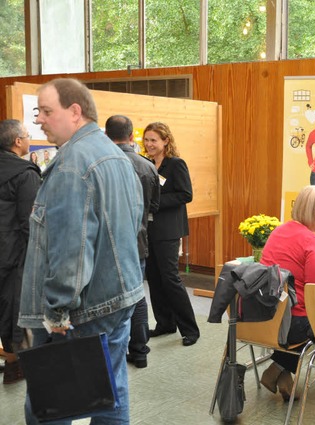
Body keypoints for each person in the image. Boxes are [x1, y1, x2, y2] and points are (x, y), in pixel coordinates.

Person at [19, 78, 144, 423]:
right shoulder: (116, 157)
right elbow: (133, 224)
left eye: (46, 111)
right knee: (112, 392)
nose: (39, 120)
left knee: (52, 404)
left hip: (82, 310)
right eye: (37, 112)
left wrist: (58, 311)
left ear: (75, 112)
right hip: (119, 297)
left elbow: (70, 248)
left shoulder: (73, 165)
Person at [259, 185, 315, 401]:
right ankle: (276, 368)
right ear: (309, 209)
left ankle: (283, 377)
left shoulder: (280, 230)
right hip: (292, 324)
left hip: (265, 317)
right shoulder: (309, 241)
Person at [106, 115, 161, 368]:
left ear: (106, 136)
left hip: (106, 244)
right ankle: (139, 352)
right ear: (132, 137)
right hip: (137, 241)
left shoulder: (102, 164)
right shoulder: (148, 167)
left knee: (107, 297)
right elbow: (154, 207)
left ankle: (109, 354)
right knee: (137, 296)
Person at [143, 122, 200, 346]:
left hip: (168, 230)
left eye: (153, 140)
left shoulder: (176, 164)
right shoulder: (146, 164)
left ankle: (190, 329)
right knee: (154, 279)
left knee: (170, 278)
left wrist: (155, 203)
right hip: (148, 229)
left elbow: (186, 195)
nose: (149, 144)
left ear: (166, 141)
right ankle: (165, 324)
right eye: (146, 140)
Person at [0, 120, 40, 385]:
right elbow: (30, 221)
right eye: (27, 135)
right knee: (16, 307)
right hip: (16, 252)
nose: (29, 139)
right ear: (17, 141)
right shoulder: (25, 173)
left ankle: (12, 361)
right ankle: (18, 365)